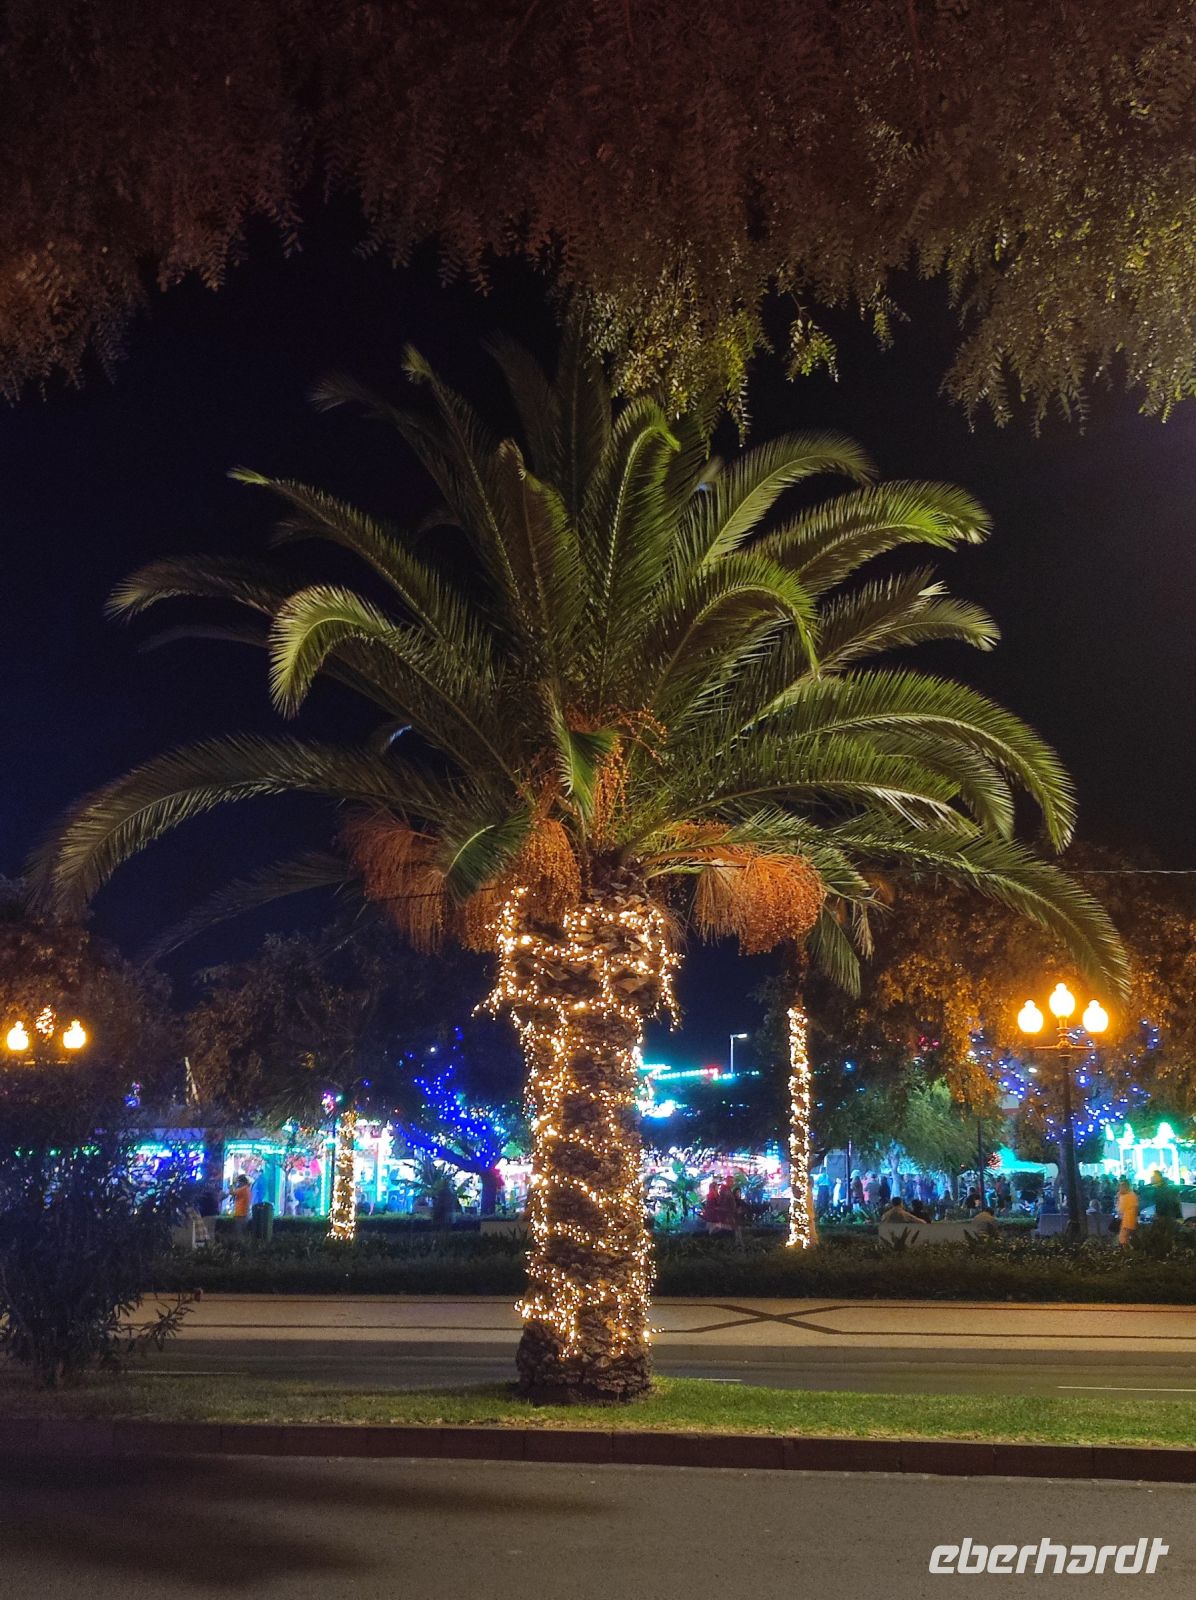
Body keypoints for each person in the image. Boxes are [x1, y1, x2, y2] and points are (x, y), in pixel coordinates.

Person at [1115, 1178, 1139, 1247]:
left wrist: (1118, 1198)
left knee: (1122, 1239)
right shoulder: (1133, 1195)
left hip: (1126, 1221)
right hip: (1132, 1220)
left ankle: (1126, 1254)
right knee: (1128, 1238)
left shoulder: (1124, 1197)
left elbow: (1120, 1209)